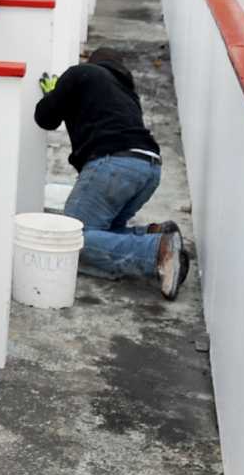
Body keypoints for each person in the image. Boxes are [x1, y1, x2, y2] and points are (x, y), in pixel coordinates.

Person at [33, 48, 191, 299]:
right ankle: (156, 234)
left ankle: (157, 251)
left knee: (70, 237)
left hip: (114, 163)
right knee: (102, 233)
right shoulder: (127, 93)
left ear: (93, 62)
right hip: (149, 168)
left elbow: (45, 118)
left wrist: (54, 93)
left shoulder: (80, 73)